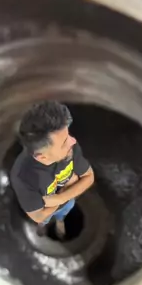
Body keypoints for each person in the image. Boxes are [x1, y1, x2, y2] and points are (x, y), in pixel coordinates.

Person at [9, 101, 95, 240]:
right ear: (42, 157)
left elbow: (89, 177)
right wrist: (71, 188)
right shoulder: (23, 176)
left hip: (63, 202)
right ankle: (43, 225)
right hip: (51, 207)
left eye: (68, 136)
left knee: (63, 212)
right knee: (43, 220)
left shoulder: (69, 150)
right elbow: (38, 215)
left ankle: (60, 221)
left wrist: (60, 197)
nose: (73, 141)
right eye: (64, 142)